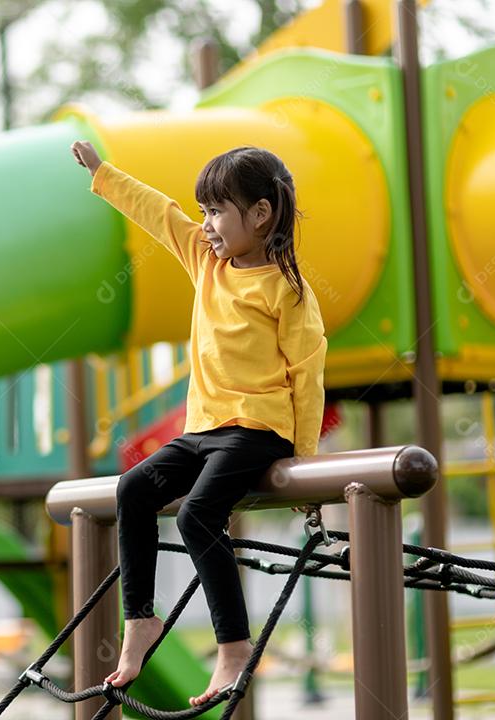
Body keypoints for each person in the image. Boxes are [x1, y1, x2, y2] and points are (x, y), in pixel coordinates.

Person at [70, 140, 328, 706]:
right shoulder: (205, 261)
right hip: (202, 430)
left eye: (218, 211)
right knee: (134, 489)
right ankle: (141, 620)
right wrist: (103, 174)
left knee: (197, 514)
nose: (206, 224)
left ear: (260, 215)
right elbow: (157, 211)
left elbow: (307, 378)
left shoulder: (288, 290)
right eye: (205, 212)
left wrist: (304, 464)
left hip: (259, 430)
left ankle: (233, 647)